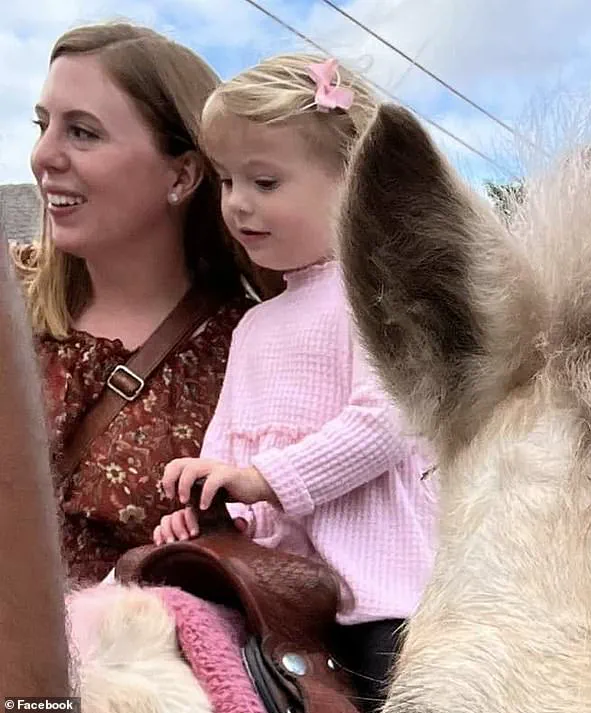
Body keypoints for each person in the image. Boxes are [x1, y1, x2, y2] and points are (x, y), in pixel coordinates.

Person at [154, 53, 438, 712]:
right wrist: (205, 503)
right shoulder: (254, 327)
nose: (238, 203)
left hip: (381, 593)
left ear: (353, 183)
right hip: (277, 593)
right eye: (227, 181)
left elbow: (386, 421)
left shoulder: (377, 294)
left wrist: (266, 479)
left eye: (265, 180)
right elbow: (227, 456)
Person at [12, 21, 282, 585]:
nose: (44, 155)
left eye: (82, 133)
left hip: (134, 662)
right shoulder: (10, 309)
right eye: (43, 125)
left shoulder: (254, 350)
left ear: (182, 175)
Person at [0, 235, 69, 697]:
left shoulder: (240, 333)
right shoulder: (25, 301)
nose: (46, 157)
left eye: (92, 153)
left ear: (183, 177)